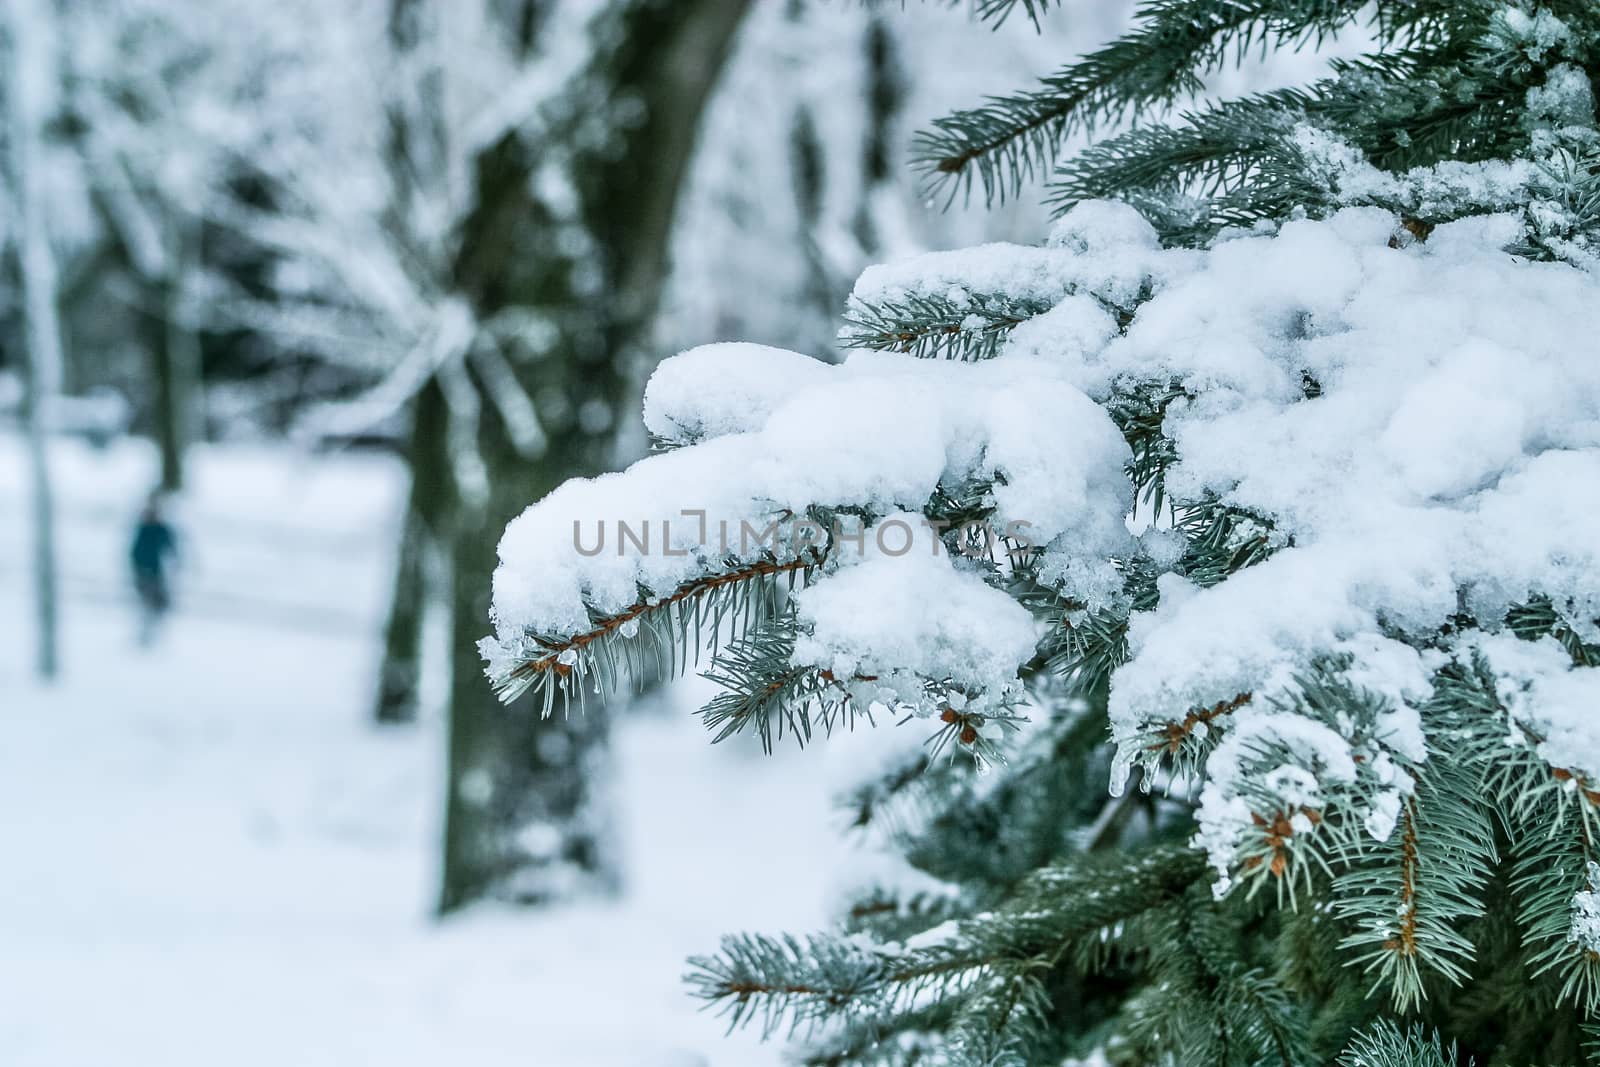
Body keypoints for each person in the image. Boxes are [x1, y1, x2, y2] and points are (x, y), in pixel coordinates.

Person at [130, 492, 178, 645]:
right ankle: (146, 634)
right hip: (145, 571)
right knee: (149, 603)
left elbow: (170, 546)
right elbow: (135, 551)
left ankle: (152, 633)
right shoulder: (145, 529)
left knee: (157, 603)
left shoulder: (159, 529)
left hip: (155, 571)